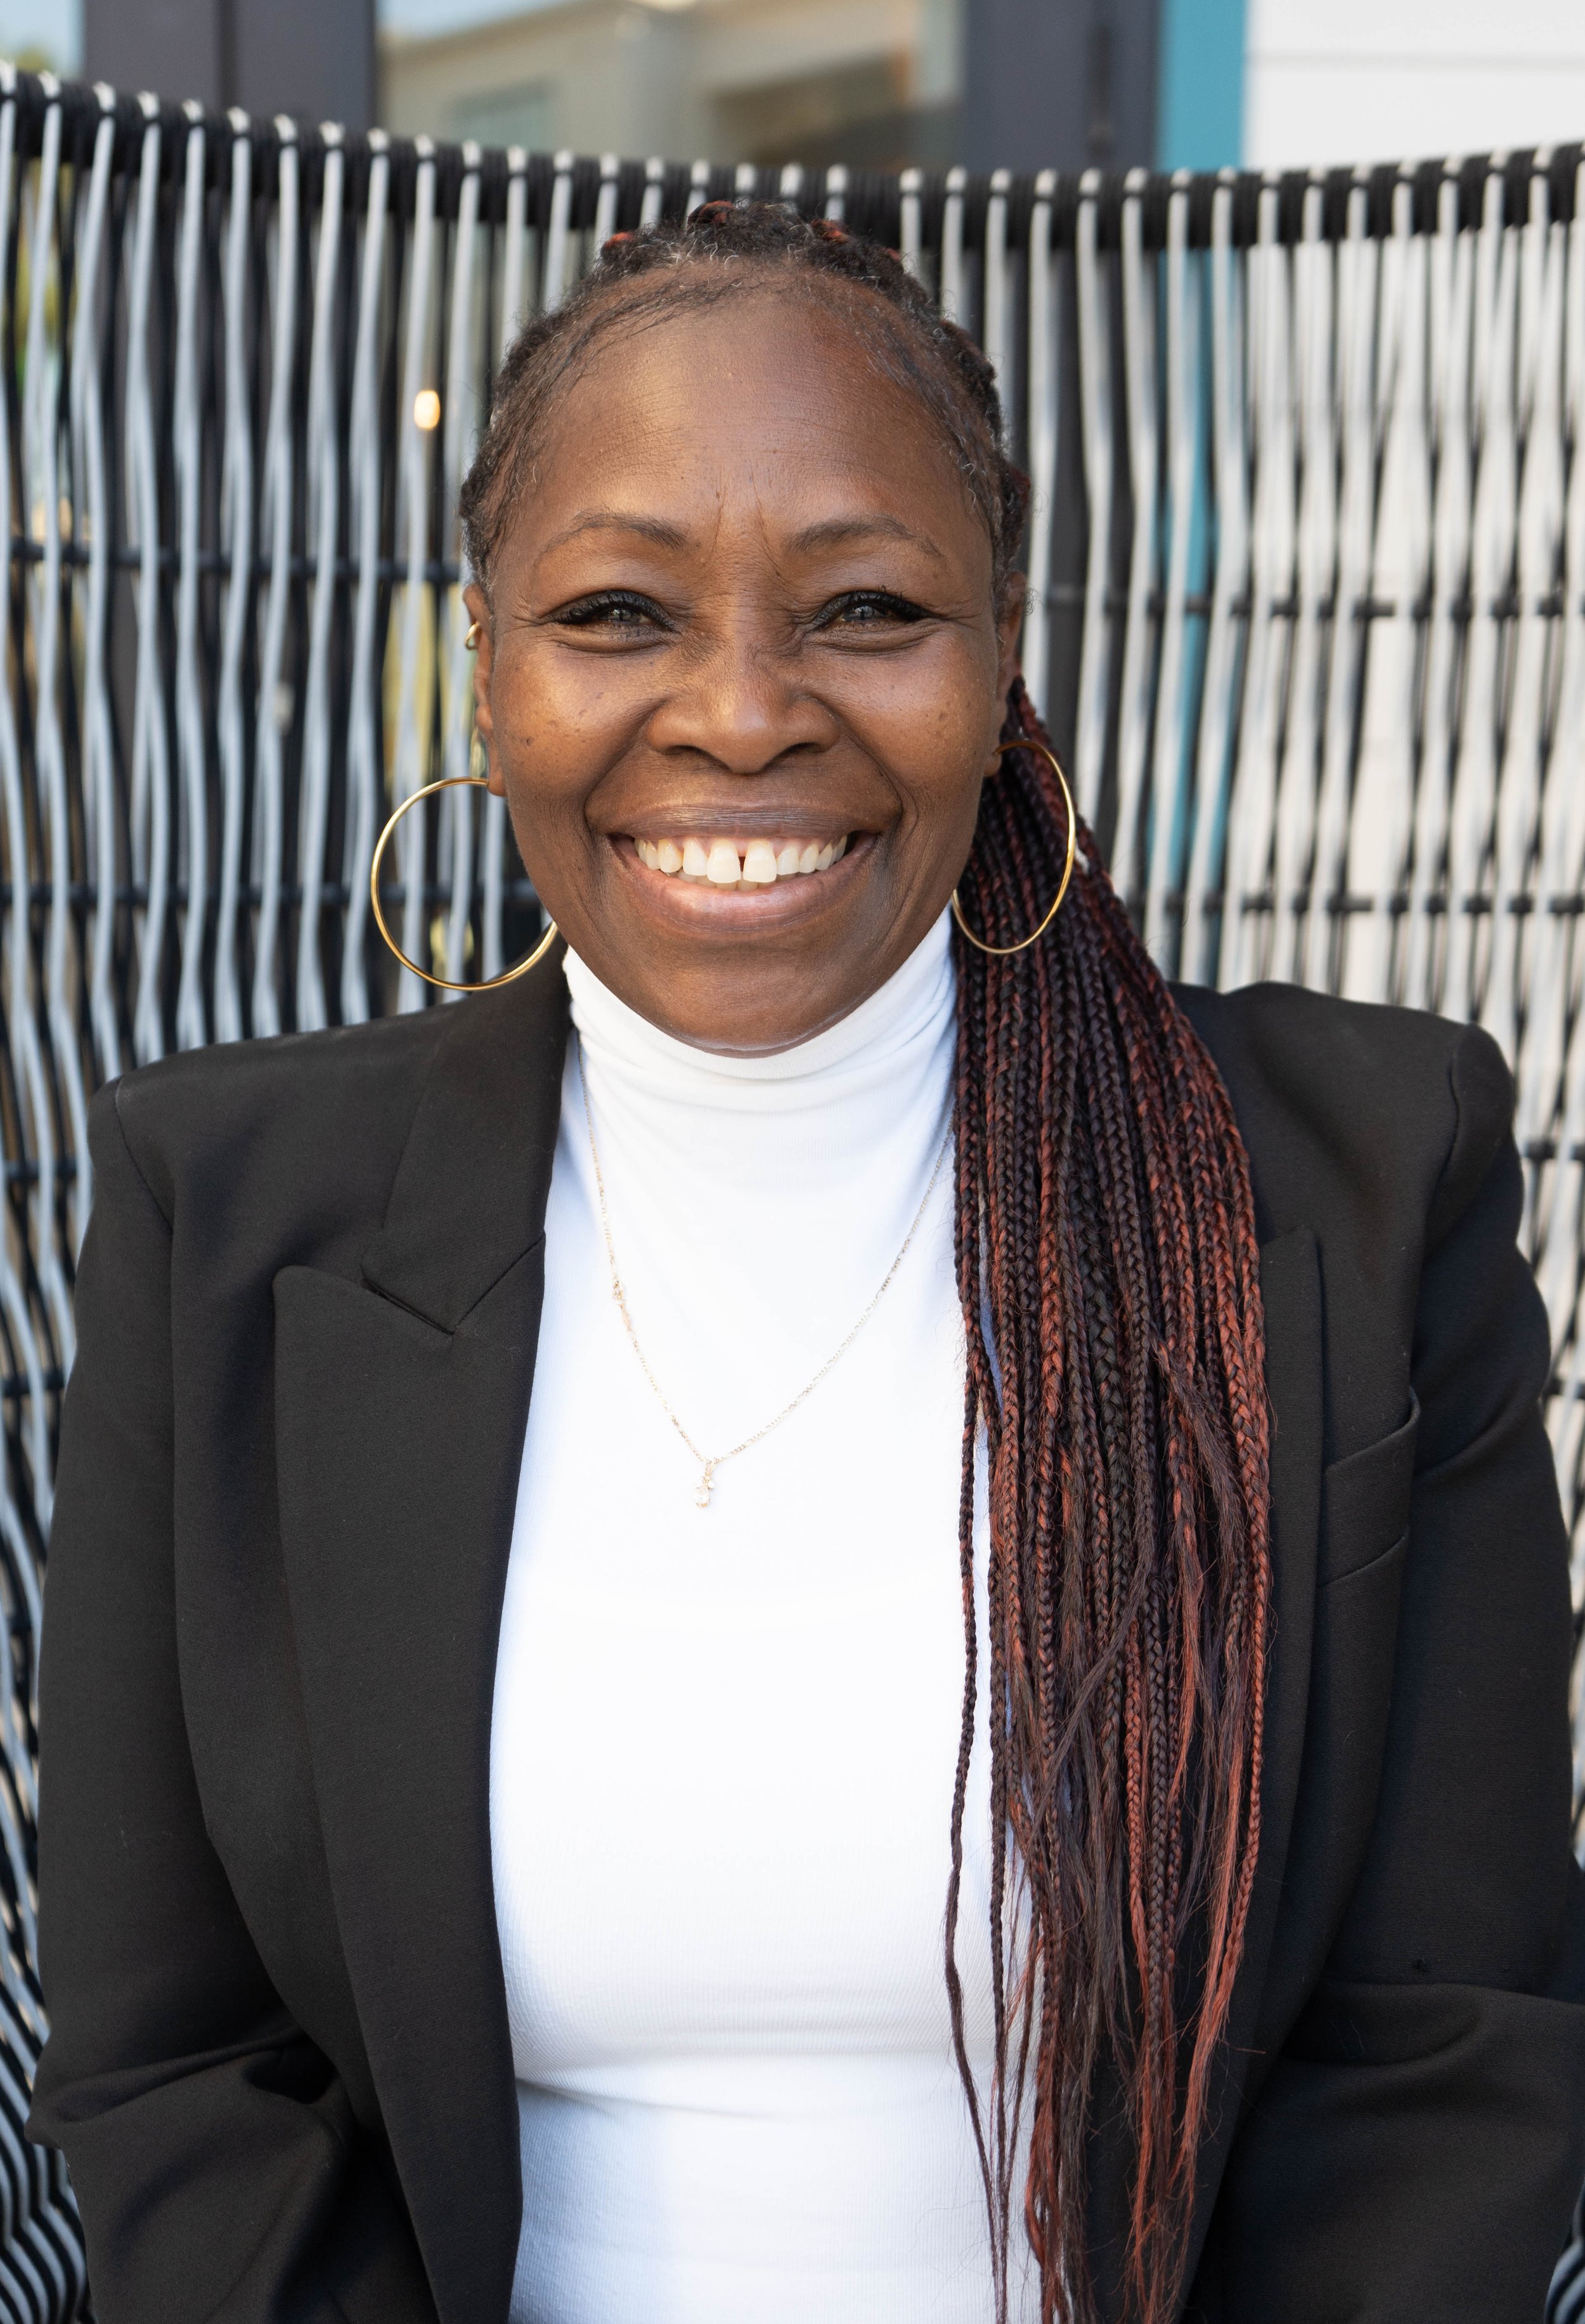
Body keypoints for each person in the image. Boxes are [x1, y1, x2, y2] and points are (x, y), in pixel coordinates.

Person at [25, 201, 1585, 2324]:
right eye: (615, 611)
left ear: (1000, 655)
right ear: (483, 661)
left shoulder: (1361, 1192)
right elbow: (182, 2068)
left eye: (864, 607)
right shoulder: (224, 1211)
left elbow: (1443, 2052)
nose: (742, 714)